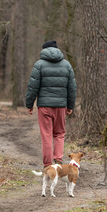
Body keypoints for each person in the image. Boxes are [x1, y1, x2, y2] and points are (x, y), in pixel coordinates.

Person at [26, 40, 77, 168]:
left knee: (46, 135)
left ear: (44, 50)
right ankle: (58, 161)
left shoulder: (39, 65)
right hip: (61, 106)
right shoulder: (67, 65)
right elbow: (72, 88)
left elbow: (32, 87)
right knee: (59, 134)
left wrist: (29, 104)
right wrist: (70, 106)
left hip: (44, 106)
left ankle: (48, 165)